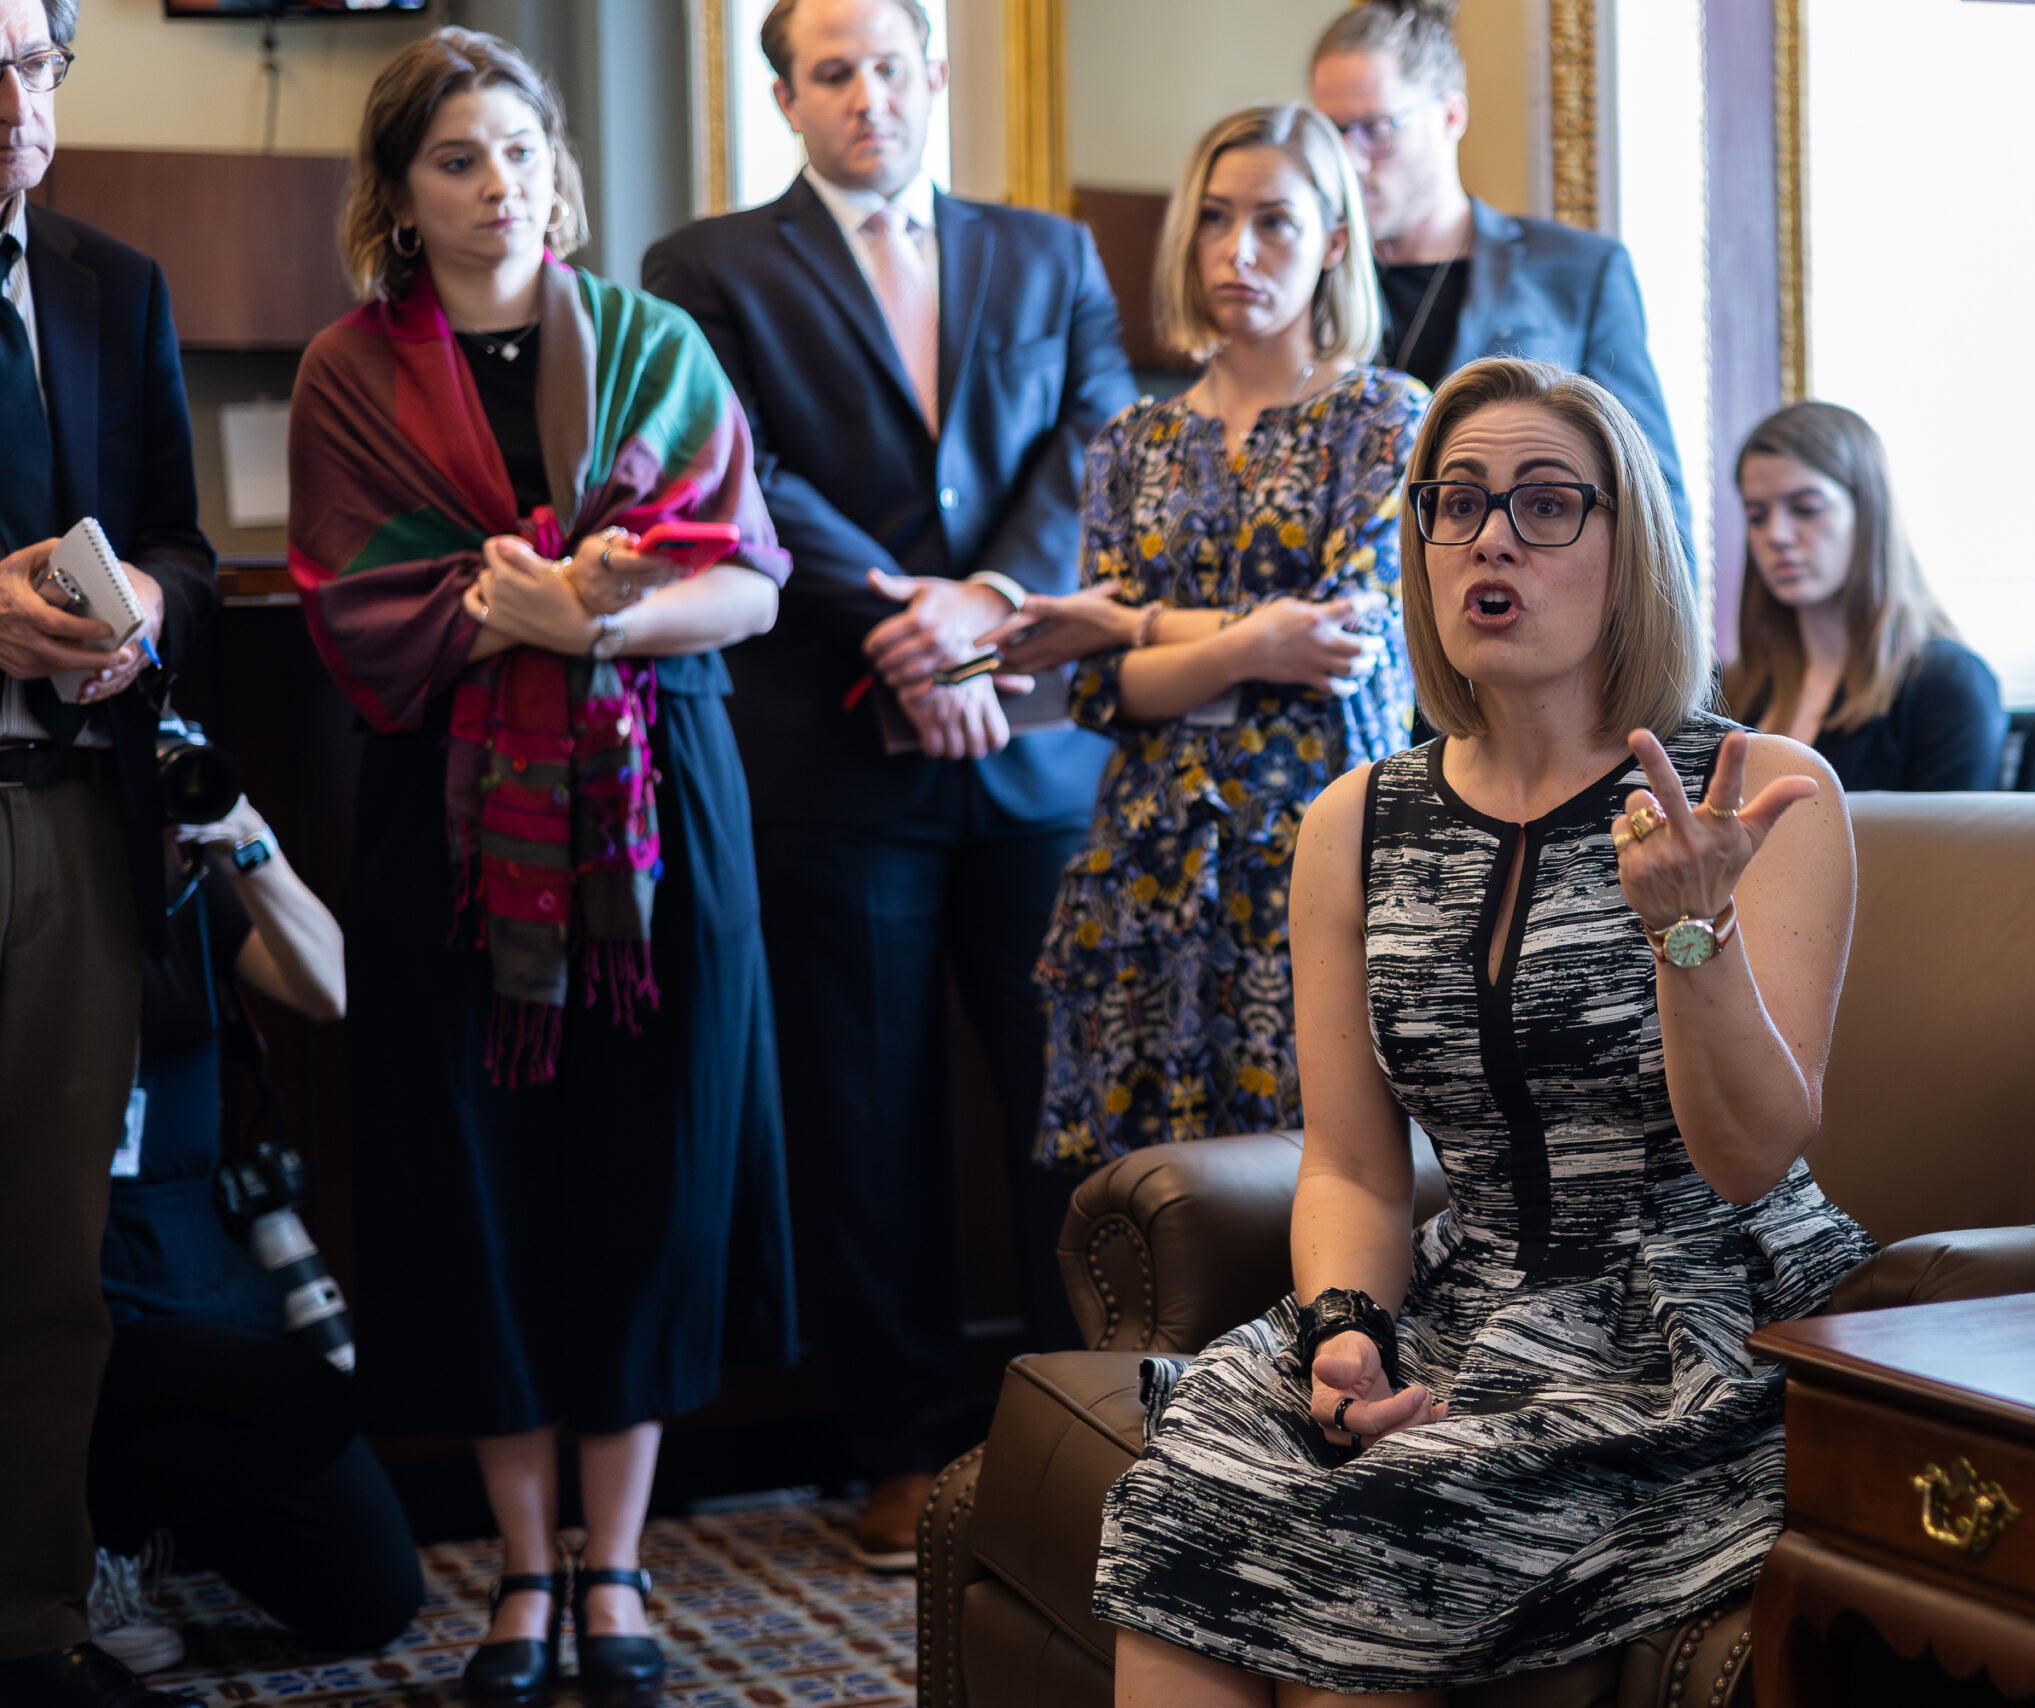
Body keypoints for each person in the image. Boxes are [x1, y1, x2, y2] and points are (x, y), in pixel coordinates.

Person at [1091, 358, 1875, 1702]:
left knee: (1385, 1551)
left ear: (1628, 548)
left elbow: (1752, 1160)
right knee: (1184, 1504)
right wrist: (1348, 1331)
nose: (1492, 535)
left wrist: (1693, 927)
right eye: (1456, 503)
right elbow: (1348, 1165)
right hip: (1473, 1296)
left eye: (1546, 503)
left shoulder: (1760, 794)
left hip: (1696, 1320)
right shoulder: (1356, 824)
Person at [290, 29, 797, 1706]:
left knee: (646, 1178)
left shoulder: (659, 345)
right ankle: (523, 1571)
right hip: (453, 835)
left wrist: (590, 611)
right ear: (401, 195)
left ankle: (625, 1559)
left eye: (517, 149)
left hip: (661, 827)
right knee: (482, 1182)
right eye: (456, 159)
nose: (494, 184)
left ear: (556, 167)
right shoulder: (349, 377)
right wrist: (485, 610)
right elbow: (359, 620)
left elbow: (755, 586)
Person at [641, 0, 1136, 1569]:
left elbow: (1098, 444)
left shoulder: (1047, 253)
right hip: (835, 751)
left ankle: (1097, 1434)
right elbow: (742, 470)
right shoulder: (706, 267)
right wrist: (909, 619)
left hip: (1034, 747)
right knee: (865, 1128)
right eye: (831, 71)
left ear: (937, 78)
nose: (869, 94)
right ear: (786, 97)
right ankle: (907, 1449)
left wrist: (985, 612)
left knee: (1073, 1111)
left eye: (893, 64)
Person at [985, 105, 1421, 1170]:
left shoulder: (1385, 419)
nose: (1238, 251)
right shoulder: (1131, 440)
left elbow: (1339, 641)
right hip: (1147, 864)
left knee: (1320, 1190)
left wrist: (1130, 621)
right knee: (1151, 1216)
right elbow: (1100, 691)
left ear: (1331, 240)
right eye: (1215, 219)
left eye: (1275, 222)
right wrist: (1237, 645)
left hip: (1315, 857)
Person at [0, 1, 220, 1703]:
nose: (7, 101)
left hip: (74, 815)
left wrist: (148, 595)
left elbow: (186, 546)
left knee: (46, 1258)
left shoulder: (111, 281)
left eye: (28, 60)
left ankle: (31, 1618)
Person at [87, 784, 422, 1669]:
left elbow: (331, 987)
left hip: (197, 1271)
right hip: (70, 1271)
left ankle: (120, 1524)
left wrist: (249, 839)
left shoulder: (193, 886)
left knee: (371, 1593)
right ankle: (87, 1550)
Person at [1308, 0, 1692, 567]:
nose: (1351, 161)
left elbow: (1653, 498)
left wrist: (1672, 655)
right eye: (1331, 134)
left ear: (1450, 117)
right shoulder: (1306, 286)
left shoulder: (1579, 271)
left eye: (1376, 130)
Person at [1722, 401, 2005, 792]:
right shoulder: (1734, 689)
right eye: (1757, 516)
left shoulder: (1948, 687)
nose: (1777, 535)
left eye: (1806, 508)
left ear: (1869, 514)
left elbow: (1949, 852)